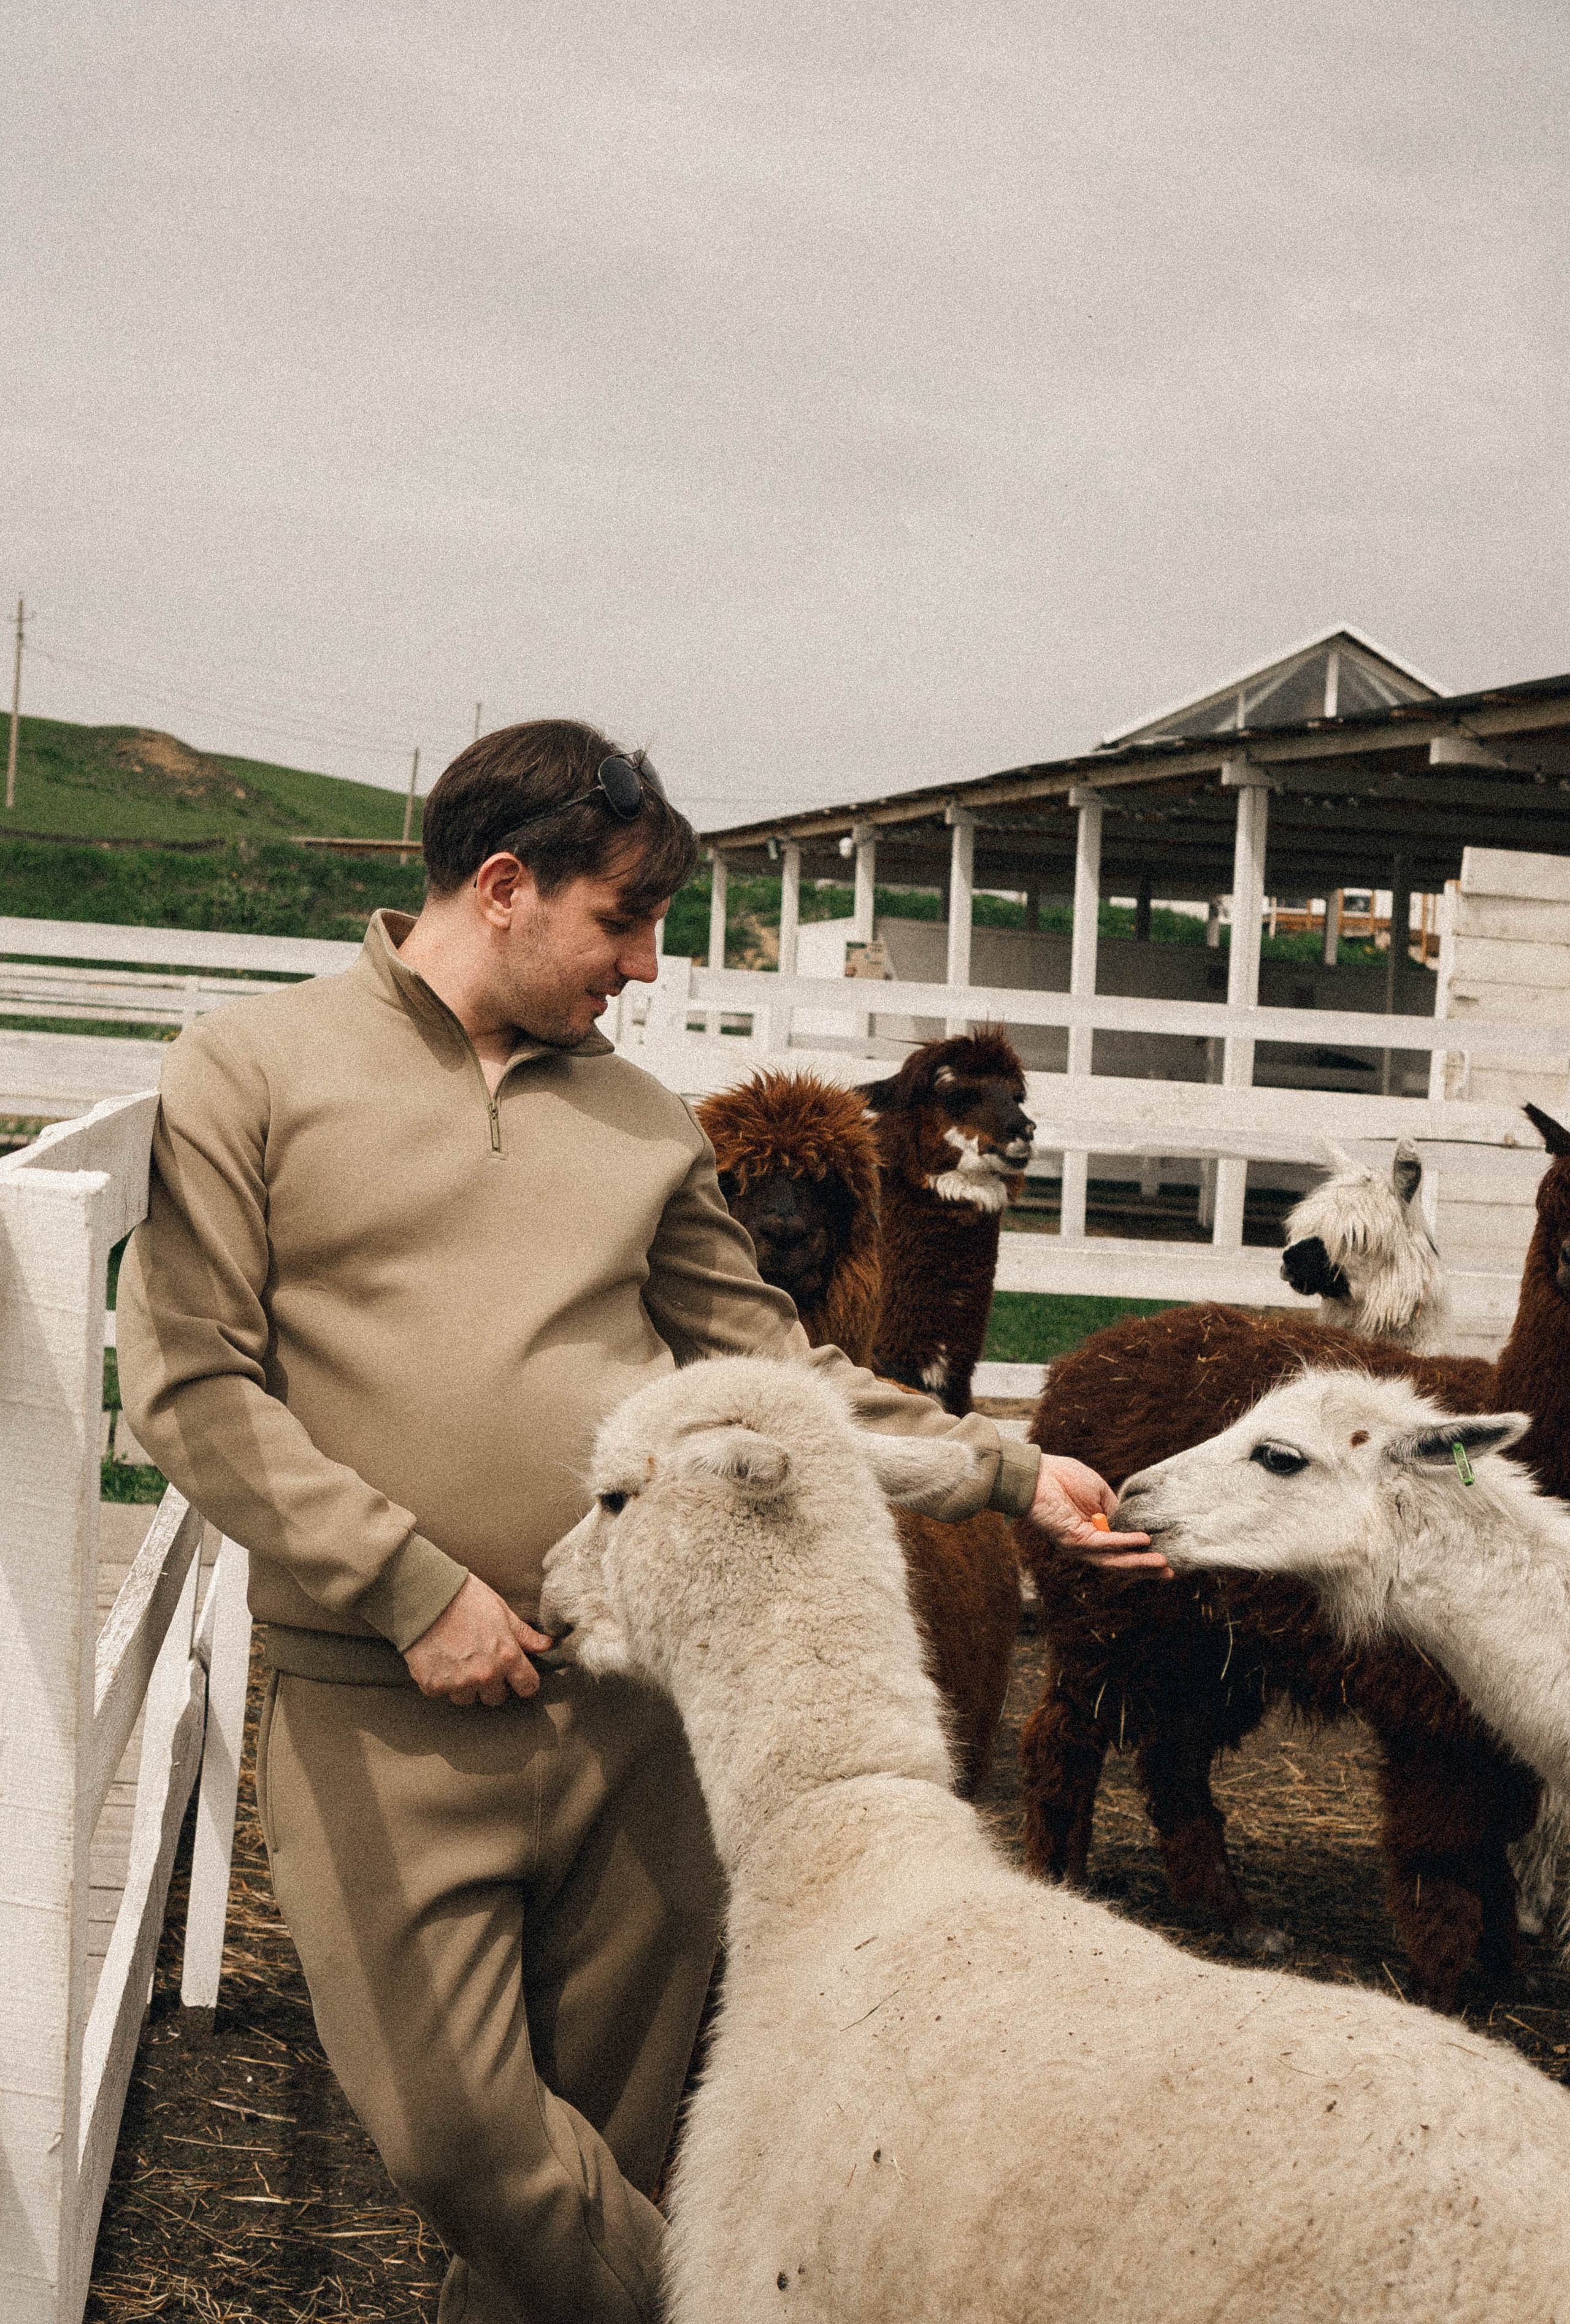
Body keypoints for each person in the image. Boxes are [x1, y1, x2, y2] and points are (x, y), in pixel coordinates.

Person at [118, 720, 1162, 2324]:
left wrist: (1011, 1472)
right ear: (506, 887)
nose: (650, 966)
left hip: (634, 1715)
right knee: (468, 2145)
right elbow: (188, 1384)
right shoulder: (251, 1073)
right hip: (380, 1713)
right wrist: (408, 1587)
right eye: (623, 921)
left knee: (606, 2160)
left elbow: (771, 1370)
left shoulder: (644, 1126)